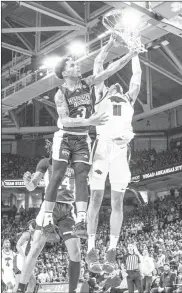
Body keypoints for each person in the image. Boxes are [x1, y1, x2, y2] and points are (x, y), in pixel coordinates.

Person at [41, 35, 137, 239]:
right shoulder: (60, 94)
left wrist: (129, 53)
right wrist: (90, 122)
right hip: (66, 136)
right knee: (57, 175)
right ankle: (48, 219)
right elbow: (65, 120)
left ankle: (81, 221)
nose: (77, 67)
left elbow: (111, 69)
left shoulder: (87, 83)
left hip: (83, 138)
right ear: (65, 72)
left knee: (82, 177)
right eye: (73, 65)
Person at [87, 35, 142, 273]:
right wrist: (108, 45)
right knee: (97, 198)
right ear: (108, 85)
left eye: (120, 84)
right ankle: (91, 248)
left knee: (117, 200)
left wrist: (136, 53)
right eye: (112, 82)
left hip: (120, 150)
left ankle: (111, 249)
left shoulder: (128, 98)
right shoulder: (102, 95)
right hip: (101, 147)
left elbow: (136, 78)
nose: (117, 83)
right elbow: (98, 66)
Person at [16, 141, 81, 293]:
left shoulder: (75, 163)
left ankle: (72, 290)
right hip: (49, 208)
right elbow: (32, 186)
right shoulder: (46, 162)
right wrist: (27, 182)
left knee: (76, 252)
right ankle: (20, 289)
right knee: (35, 248)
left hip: (67, 209)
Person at [13, 220, 36, 293]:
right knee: (19, 283)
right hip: (20, 259)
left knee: (32, 281)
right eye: (33, 224)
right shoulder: (27, 234)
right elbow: (18, 245)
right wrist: (24, 257)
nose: (35, 225)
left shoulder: (35, 235)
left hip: (27, 260)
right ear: (29, 226)